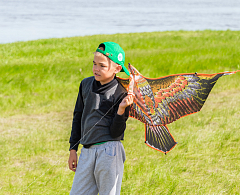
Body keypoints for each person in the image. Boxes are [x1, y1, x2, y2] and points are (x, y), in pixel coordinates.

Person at [68, 42, 134, 195]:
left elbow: (116, 133)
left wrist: (121, 109)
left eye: (102, 66)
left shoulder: (121, 94)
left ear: (117, 69)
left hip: (109, 152)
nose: (96, 69)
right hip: (87, 151)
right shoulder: (85, 84)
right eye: (94, 64)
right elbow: (78, 116)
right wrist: (73, 148)